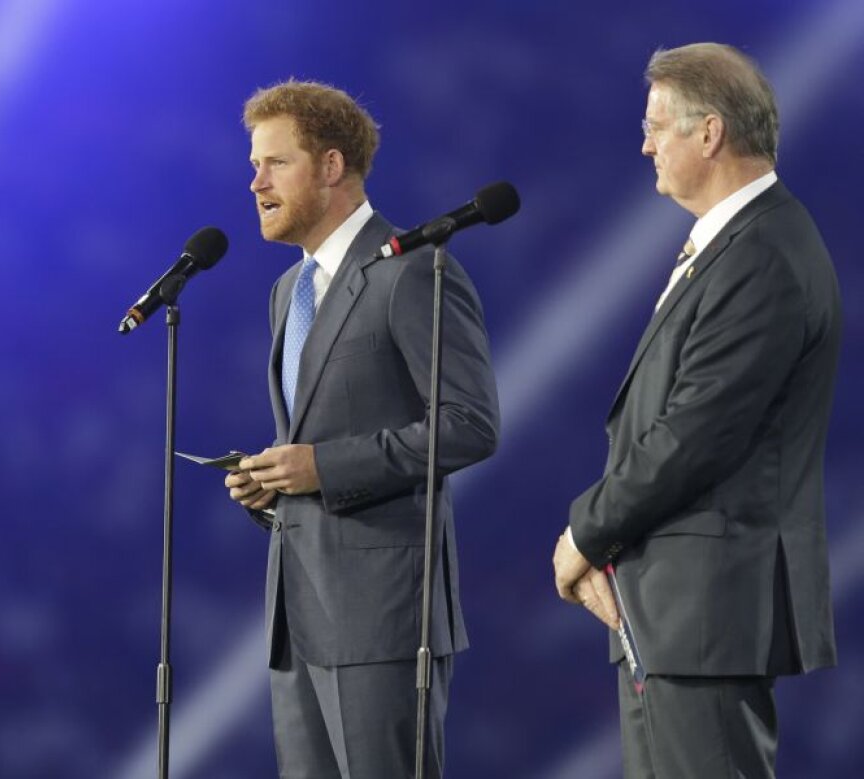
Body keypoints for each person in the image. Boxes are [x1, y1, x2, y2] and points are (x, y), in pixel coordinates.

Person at [552, 43, 841, 777]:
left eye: (657, 126)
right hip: (674, 613)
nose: (645, 143)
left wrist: (584, 532)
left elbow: (694, 433)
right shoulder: (738, 245)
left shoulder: (763, 255)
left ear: (708, 133)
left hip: (707, 613)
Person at [224, 79, 499, 778]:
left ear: (331, 165)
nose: (254, 182)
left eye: (274, 163)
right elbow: (316, 434)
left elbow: (469, 424)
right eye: (253, 164)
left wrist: (324, 467)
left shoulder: (413, 271)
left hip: (384, 617)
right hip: (297, 616)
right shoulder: (288, 292)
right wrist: (275, 482)